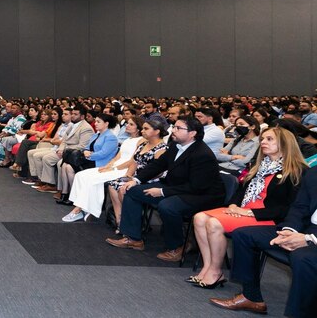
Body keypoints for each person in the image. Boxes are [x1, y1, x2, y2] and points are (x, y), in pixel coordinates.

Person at [191, 127, 305, 290]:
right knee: (199, 217)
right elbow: (242, 189)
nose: (263, 142)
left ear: (285, 144)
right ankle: (207, 267)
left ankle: (216, 272)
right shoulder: (261, 165)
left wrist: (249, 212)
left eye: (269, 139)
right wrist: (233, 204)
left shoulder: (297, 172)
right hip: (244, 211)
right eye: (263, 139)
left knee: (214, 223)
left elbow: (288, 208)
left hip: (265, 218)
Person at [106, 116, 225, 262]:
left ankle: (177, 246)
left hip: (202, 195)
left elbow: (196, 186)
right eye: (174, 127)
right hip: (178, 187)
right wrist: (136, 180)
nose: (173, 130)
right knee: (131, 190)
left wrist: (162, 192)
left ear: (192, 133)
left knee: (167, 206)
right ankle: (133, 238)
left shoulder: (202, 154)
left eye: (178, 128)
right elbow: (158, 165)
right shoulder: (176, 145)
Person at [209, 167, 317, 316]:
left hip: (313, 237)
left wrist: (309, 239)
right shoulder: (314, 172)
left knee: (302, 258)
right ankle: (251, 297)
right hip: (305, 228)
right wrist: (289, 231)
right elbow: (299, 207)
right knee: (243, 235)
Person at [58, 113, 125, 220]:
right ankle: (75, 197)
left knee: (70, 168)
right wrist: (85, 152)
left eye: (99, 122)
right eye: (96, 121)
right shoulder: (96, 135)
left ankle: (79, 201)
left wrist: (90, 155)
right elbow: (86, 148)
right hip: (91, 159)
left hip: (100, 163)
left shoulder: (111, 137)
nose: (96, 124)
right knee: (66, 166)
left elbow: (104, 154)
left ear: (106, 124)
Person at [106, 119, 168, 233]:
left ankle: (132, 224)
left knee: (123, 188)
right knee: (112, 184)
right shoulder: (143, 143)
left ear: (157, 131)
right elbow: (134, 162)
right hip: (138, 177)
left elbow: (158, 172)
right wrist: (129, 175)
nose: (142, 131)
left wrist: (137, 180)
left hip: (152, 180)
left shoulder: (162, 149)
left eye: (146, 129)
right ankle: (120, 221)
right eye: (143, 128)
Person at [35, 107, 94, 193]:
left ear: (82, 116)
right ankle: (51, 184)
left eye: (75, 114)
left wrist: (64, 150)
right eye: (72, 114)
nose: (73, 116)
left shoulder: (86, 128)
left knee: (58, 163)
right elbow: (64, 140)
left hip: (75, 154)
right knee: (47, 158)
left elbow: (82, 146)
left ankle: (61, 189)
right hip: (65, 151)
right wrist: (61, 149)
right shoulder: (72, 125)